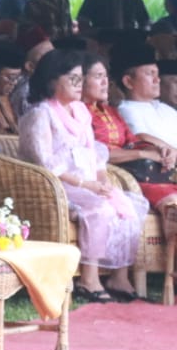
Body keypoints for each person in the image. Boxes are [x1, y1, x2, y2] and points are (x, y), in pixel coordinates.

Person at [19, 49, 147, 302]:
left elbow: (94, 153)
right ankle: (89, 279)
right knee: (101, 209)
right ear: (52, 80)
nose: (79, 85)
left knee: (128, 204)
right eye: (73, 79)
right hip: (57, 186)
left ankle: (119, 277)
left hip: (86, 182)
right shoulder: (40, 114)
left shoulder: (80, 111)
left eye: (81, 78)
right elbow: (45, 164)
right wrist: (85, 184)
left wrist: (103, 181)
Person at [89, 47, 177, 217]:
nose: (157, 79)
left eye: (157, 74)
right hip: (153, 174)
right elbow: (138, 140)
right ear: (128, 82)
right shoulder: (127, 109)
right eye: (150, 74)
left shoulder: (167, 109)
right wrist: (161, 150)